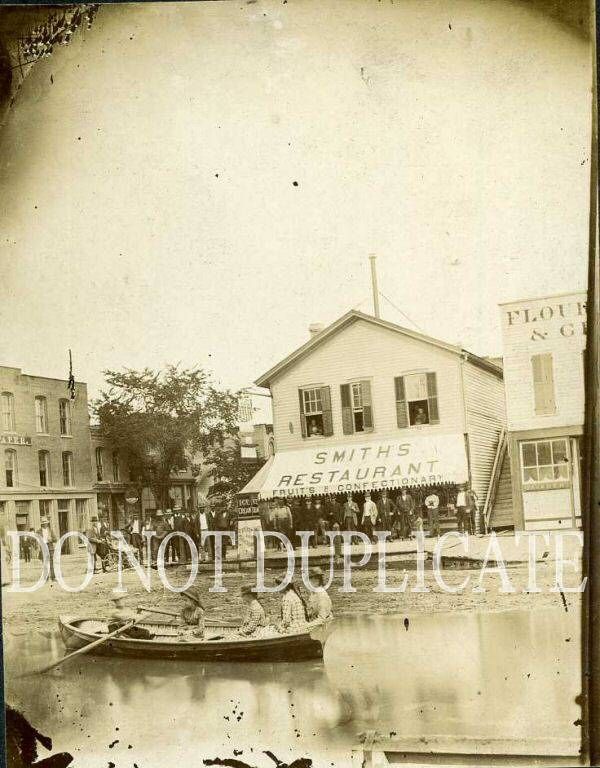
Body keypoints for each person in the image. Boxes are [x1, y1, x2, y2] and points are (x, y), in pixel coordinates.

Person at [40, 517, 57, 582]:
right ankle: (46, 578)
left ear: (47, 523)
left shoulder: (50, 531)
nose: (45, 524)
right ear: (42, 524)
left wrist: (51, 539)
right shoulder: (39, 531)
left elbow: (55, 539)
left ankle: (53, 577)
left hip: (50, 548)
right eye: (43, 523)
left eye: (46, 523)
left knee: (52, 563)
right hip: (43, 548)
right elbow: (35, 540)